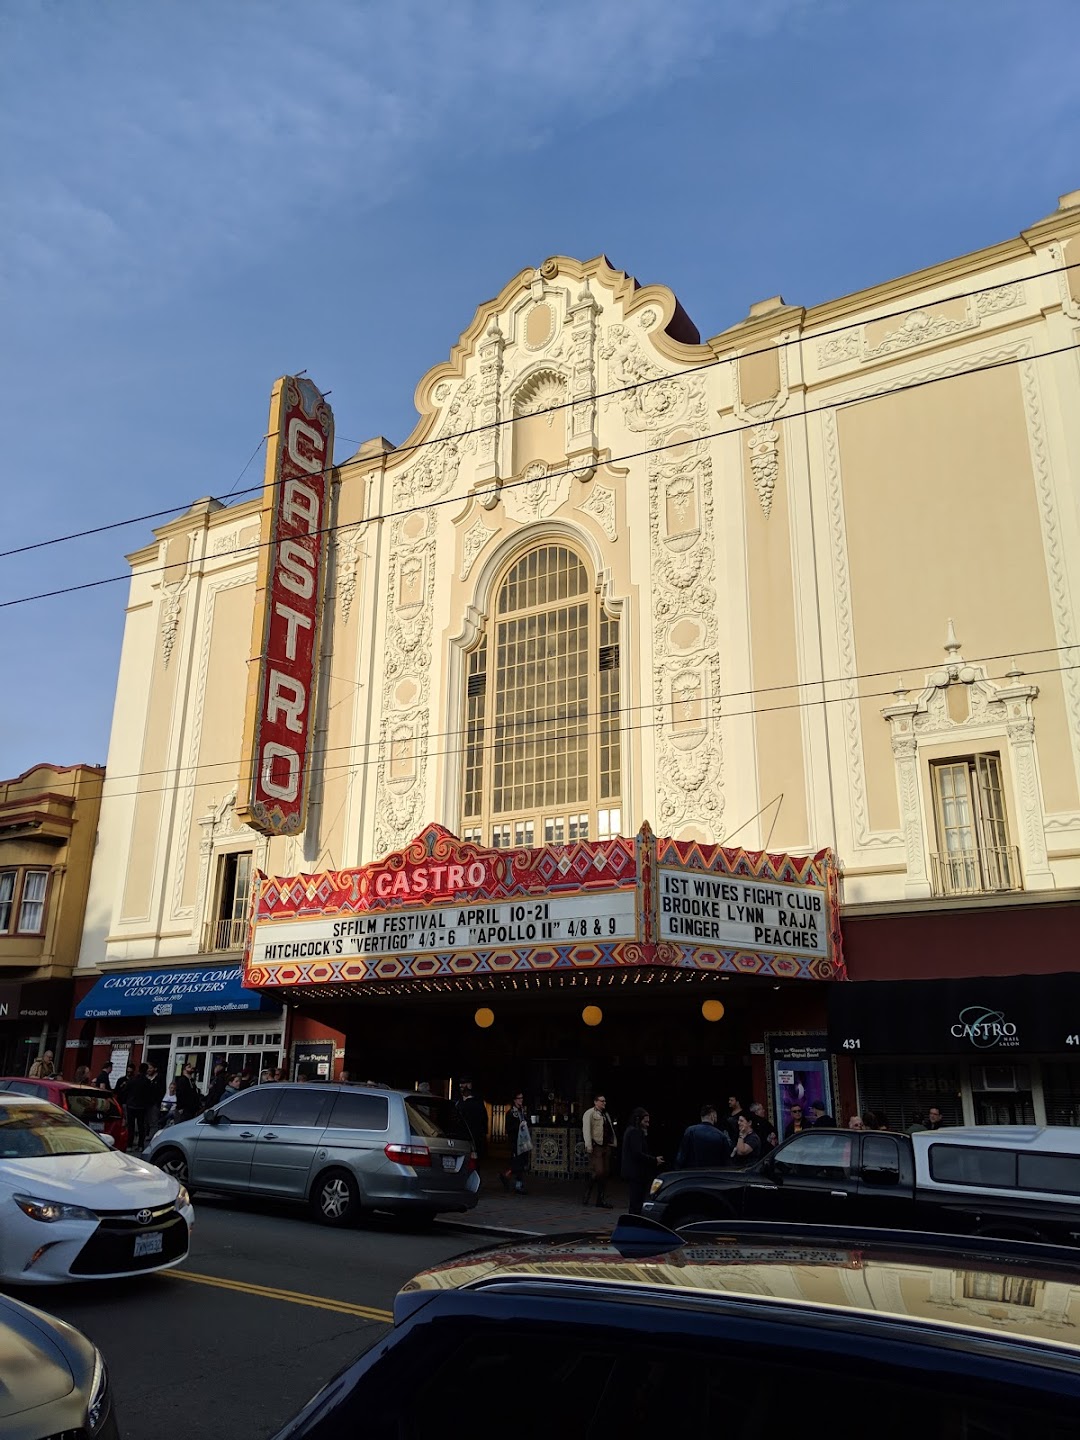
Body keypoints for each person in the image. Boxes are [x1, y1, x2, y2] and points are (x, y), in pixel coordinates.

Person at [622, 1108, 663, 1215]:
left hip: (634, 1172)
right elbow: (637, 1154)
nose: (647, 1125)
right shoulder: (635, 1132)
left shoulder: (630, 1130)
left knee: (635, 1201)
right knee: (637, 1202)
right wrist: (654, 1160)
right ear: (638, 1120)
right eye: (645, 1122)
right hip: (637, 1173)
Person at [582, 1093, 617, 1208]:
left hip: (605, 1145)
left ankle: (600, 1199)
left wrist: (613, 1142)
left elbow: (609, 1128)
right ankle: (588, 1192)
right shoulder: (590, 1113)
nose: (604, 1103)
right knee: (599, 1171)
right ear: (595, 1102)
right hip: (596, 1145)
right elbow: (586, 1129)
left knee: (605, 1172)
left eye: (604, 1101)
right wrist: (588, 1145)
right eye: (602, 1101)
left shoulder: (605, 1114)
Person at [676, 1103, 729, 1168]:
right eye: (716, 1116)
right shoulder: (721, 1135)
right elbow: (726, 1161)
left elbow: (681, 1156)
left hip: (692, 1174)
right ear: (712, 1115)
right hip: (714, 1175)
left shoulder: (690, 1131)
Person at [500, 1091, 532, 1195]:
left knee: (521, 1163)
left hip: (523, 1141)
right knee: (517, 1163)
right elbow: (509, 1128)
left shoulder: (522, 1112)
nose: (521, 1100)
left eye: (522, 1098)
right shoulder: (511, 1113)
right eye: (519, 1098)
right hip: (516, 1141)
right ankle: (507, 1176)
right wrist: (519, 1126)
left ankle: (516, 1183)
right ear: (514, 1100)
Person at [456, 1080, 489, 1162]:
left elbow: (483, 1120)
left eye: (464, 1084)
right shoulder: (458, 1102)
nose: (461, 1086)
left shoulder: (476, 1103)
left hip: (474, 1137)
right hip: (461, 1136)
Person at [123, 1062, 155, 1150]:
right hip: (142, 1107)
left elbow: (125, 1091)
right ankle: (140, 1145)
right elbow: (150, 1095)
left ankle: (129, 1145)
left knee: (131, 1126)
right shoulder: (147, 1082)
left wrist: (127, 1100)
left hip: (131, 1105)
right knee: (141, 1126)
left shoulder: (132, 1080)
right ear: (146, 1071)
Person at [146, 1062, 166, 1139]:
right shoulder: (145, 1078)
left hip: (155, 1103)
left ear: (155, 1069)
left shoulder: (160, 1078)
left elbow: (162, 1090)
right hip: (145, 1102)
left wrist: (158, 1101)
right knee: (146, 1120)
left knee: (154, 1120)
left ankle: (152, 1136)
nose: (149, 1070)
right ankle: (145, 1134)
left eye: (150, 1068)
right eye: (148, 1068)